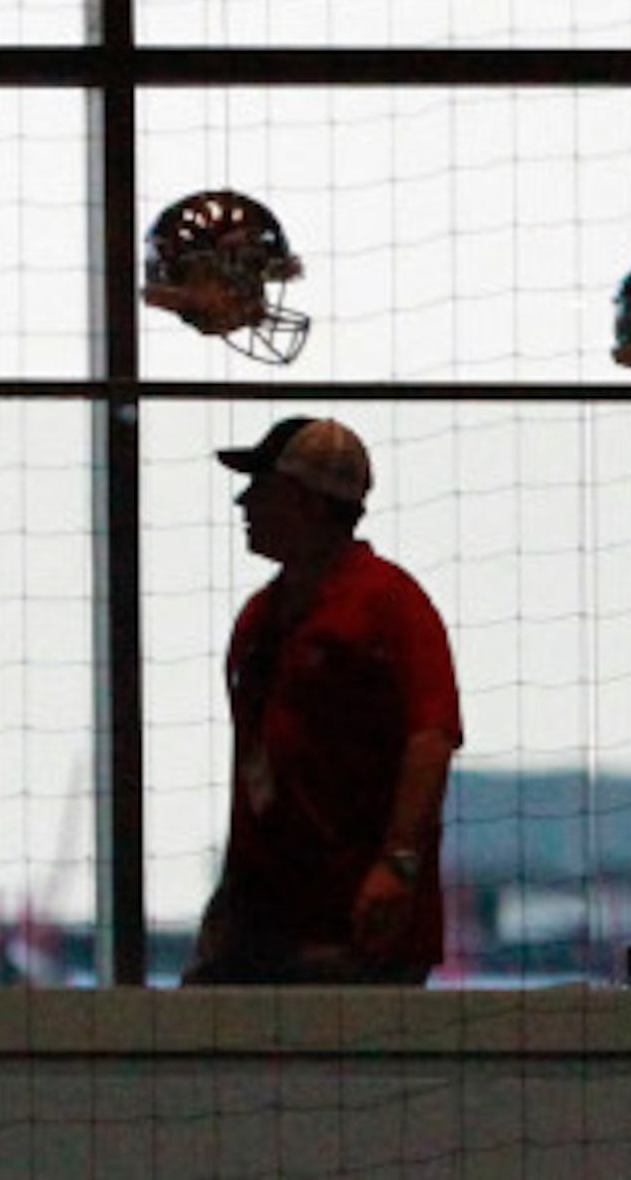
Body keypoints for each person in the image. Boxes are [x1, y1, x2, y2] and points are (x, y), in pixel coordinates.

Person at [189, 416, 461, 986]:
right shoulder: (259, 621)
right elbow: (254, 775)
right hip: (266, 919)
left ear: (305, 501)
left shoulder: (389, 604)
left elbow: (431, 738)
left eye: (260, 488)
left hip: (360, 925)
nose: (244, 503)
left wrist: (396, 866)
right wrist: (231, 898)